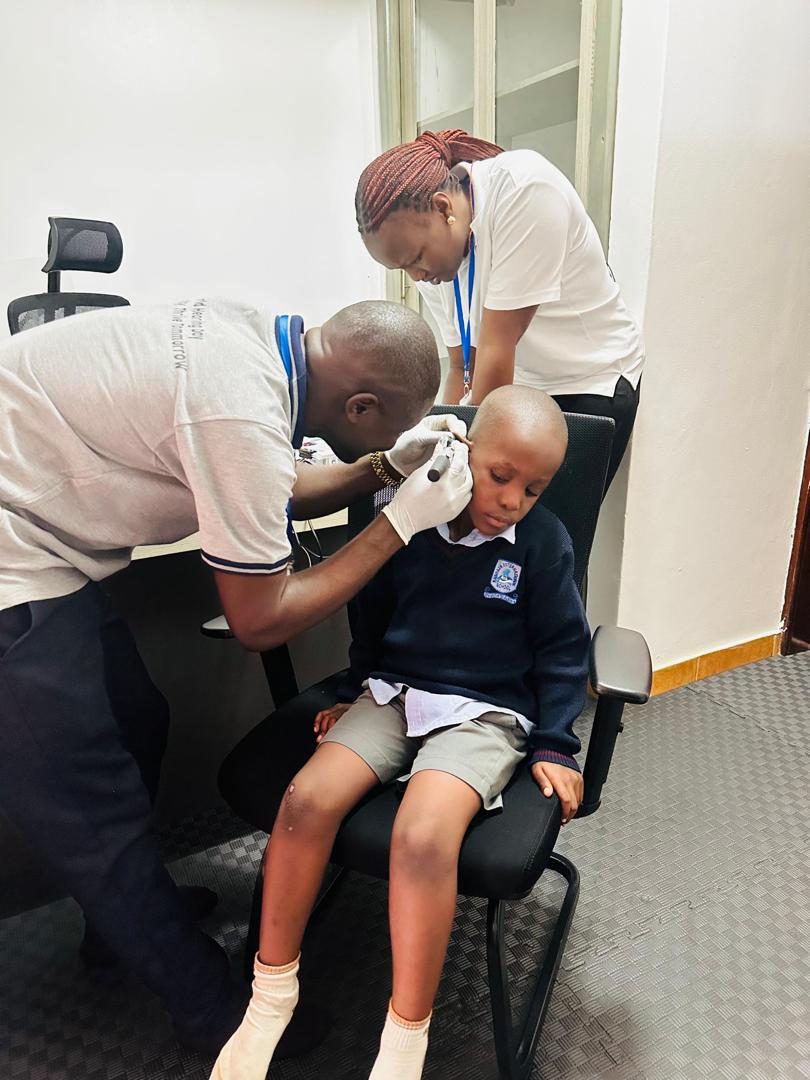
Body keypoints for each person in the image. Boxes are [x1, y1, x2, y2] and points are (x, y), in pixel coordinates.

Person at [0, 297, 472, 1054]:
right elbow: (260, 620)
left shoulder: (259, 342)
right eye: (386, 428)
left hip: (42, 543)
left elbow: (270, 480)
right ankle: (213, 1015)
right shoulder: (239, 411)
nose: (386, 442)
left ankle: (115, 925)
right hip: (11, 564)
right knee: (89, 812)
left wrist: (385, 466)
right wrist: (399, 523)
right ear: (359, 405)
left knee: (137, 717)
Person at [210, 385, 590, 1080]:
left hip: (485, 710)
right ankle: (270, 998)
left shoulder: (543, 544)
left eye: (533, 490)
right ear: (467, 450)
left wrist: (556, 743)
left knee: (422, 834)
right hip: (395, 691)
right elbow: (372, 613)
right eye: (500, 476)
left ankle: (405, 1039)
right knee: (305, 799)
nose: (512, 500)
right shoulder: (411, 515)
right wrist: (354, 689)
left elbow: (565, 650)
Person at [355, 128, 645, 491]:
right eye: (402, 268)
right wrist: (439, 439)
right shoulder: (434, 258)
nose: (416, 276)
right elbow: (462, 365)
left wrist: (457, 463)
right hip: (521, 385)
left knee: (544, 523)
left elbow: (495, 349)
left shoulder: (524, 191)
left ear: (443, 208)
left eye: (416, 259)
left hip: (589, 380)